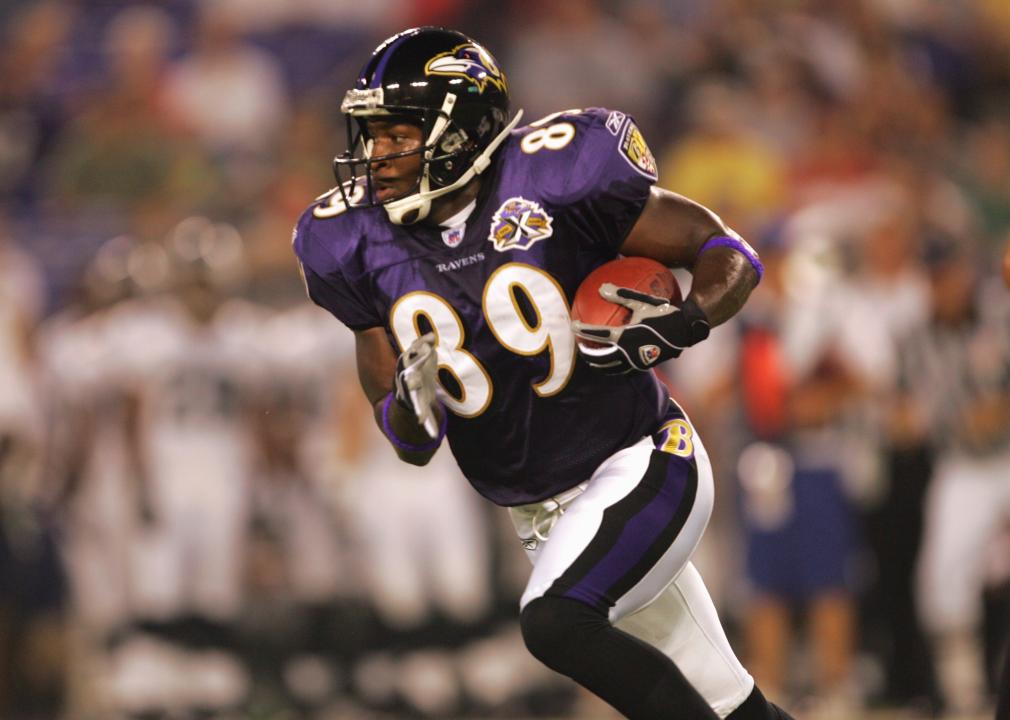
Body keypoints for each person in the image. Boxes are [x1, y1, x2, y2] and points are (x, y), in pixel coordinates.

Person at [293, 27, 793, 720]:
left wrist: (674, 327)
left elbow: (725, 252)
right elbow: (410, 438)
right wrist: (409, 405)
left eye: (398, 134)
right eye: (371, 135)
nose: (376, 155)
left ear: (461, 129)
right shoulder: (348, 242)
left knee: (555, 621)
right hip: (539, 513)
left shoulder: (557, 175)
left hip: (641, 460)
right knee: (732, 706)